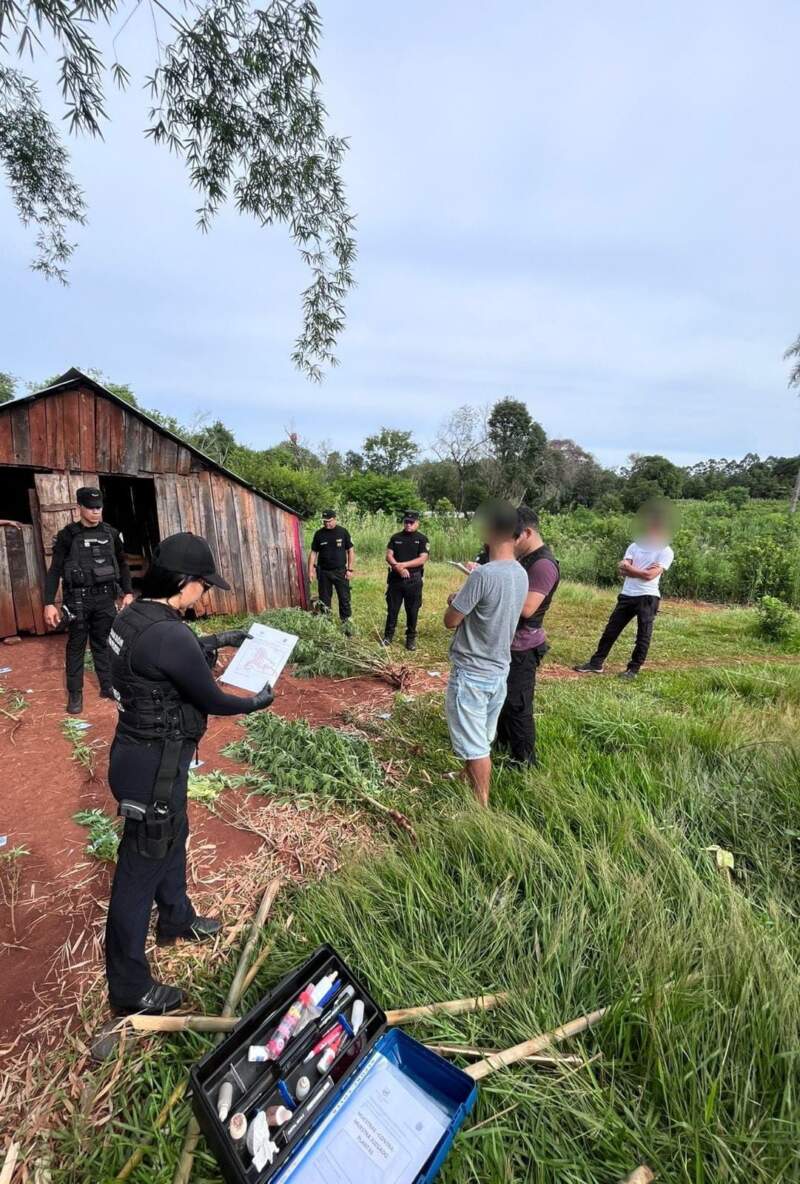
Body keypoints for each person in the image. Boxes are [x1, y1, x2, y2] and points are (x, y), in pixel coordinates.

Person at [105, 532, 275, 1015]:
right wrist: (255, 702)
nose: (206, 594)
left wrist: (217, 639)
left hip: (140, 754)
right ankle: (129, 989)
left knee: (172, 835)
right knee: (137, 873)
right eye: (204, 586)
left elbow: (158, 655)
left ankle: (176, 919)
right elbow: (212, 698)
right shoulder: (169, 633)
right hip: (153, 766)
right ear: (184, 582)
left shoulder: (134, 613)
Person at [443, 502, 528, 807]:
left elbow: (451, 620)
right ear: (517, 535)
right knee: (480, 735)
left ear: (489, 531)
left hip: (472, 672)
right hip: (498, 671)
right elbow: (494, 610)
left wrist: (457, 598)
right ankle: (468, 778)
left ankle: (481, 807)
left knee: (476, 745)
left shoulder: (482, 576)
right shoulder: (520, 574)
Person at [43, 487, 133, 714]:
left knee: (103, 644)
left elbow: (122, 564)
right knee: (76, 648)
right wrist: (48, 602)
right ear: (79, 508)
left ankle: (107, 686)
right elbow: (54, 570)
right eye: (91, 507)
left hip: (105, 599)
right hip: (78, 602)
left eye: (99, 507)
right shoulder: (67, 536)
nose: (95, 511)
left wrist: (128, 592)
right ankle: (75, 694)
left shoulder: (111, 534)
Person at [574, 505, 674, 679]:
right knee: (611, 630)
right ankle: (596, 663)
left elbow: (650, 576)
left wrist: (632, 569)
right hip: (627, 594)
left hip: (648, 597)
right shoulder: (635, 546)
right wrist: (639, 571)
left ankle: (633, 669)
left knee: (643, 634)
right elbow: (621, 568)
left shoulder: (665, 551)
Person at [494, 506, 559, 766]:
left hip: (524, 645)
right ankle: (502, 742)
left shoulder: (543, 564)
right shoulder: (526, 560)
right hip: (509, 642)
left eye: (513, 535)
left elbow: (527, 608)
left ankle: (524, 760)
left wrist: (491, 594)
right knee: (503, 697)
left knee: (518, 703)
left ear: (527, 532)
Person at [382, 510, 429, 651]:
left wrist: (404, 565)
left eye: (411, 522)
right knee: (392, 609)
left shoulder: (422, 539)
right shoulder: (396, 537)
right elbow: (389, 555)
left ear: (417, 523)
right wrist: (398, 567)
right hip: (396, 579)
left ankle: (410, 639)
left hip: (413, 580)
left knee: (412, 610)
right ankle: (388, 637)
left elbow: (423, 558)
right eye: (406, 522)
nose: (408, 524)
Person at [308, 509, 355, 635]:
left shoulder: (343, 532)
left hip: (340, 571)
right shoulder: (319, 534)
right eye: (324, 521)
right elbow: (313, 552)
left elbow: (350, 550)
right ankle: (327, 626)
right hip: (323, 572)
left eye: (329, 521)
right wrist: (310, 570)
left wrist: (350, 569)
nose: (326, 524)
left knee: (344, 599)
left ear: (334, 519)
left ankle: (346, 627)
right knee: (324, 600)